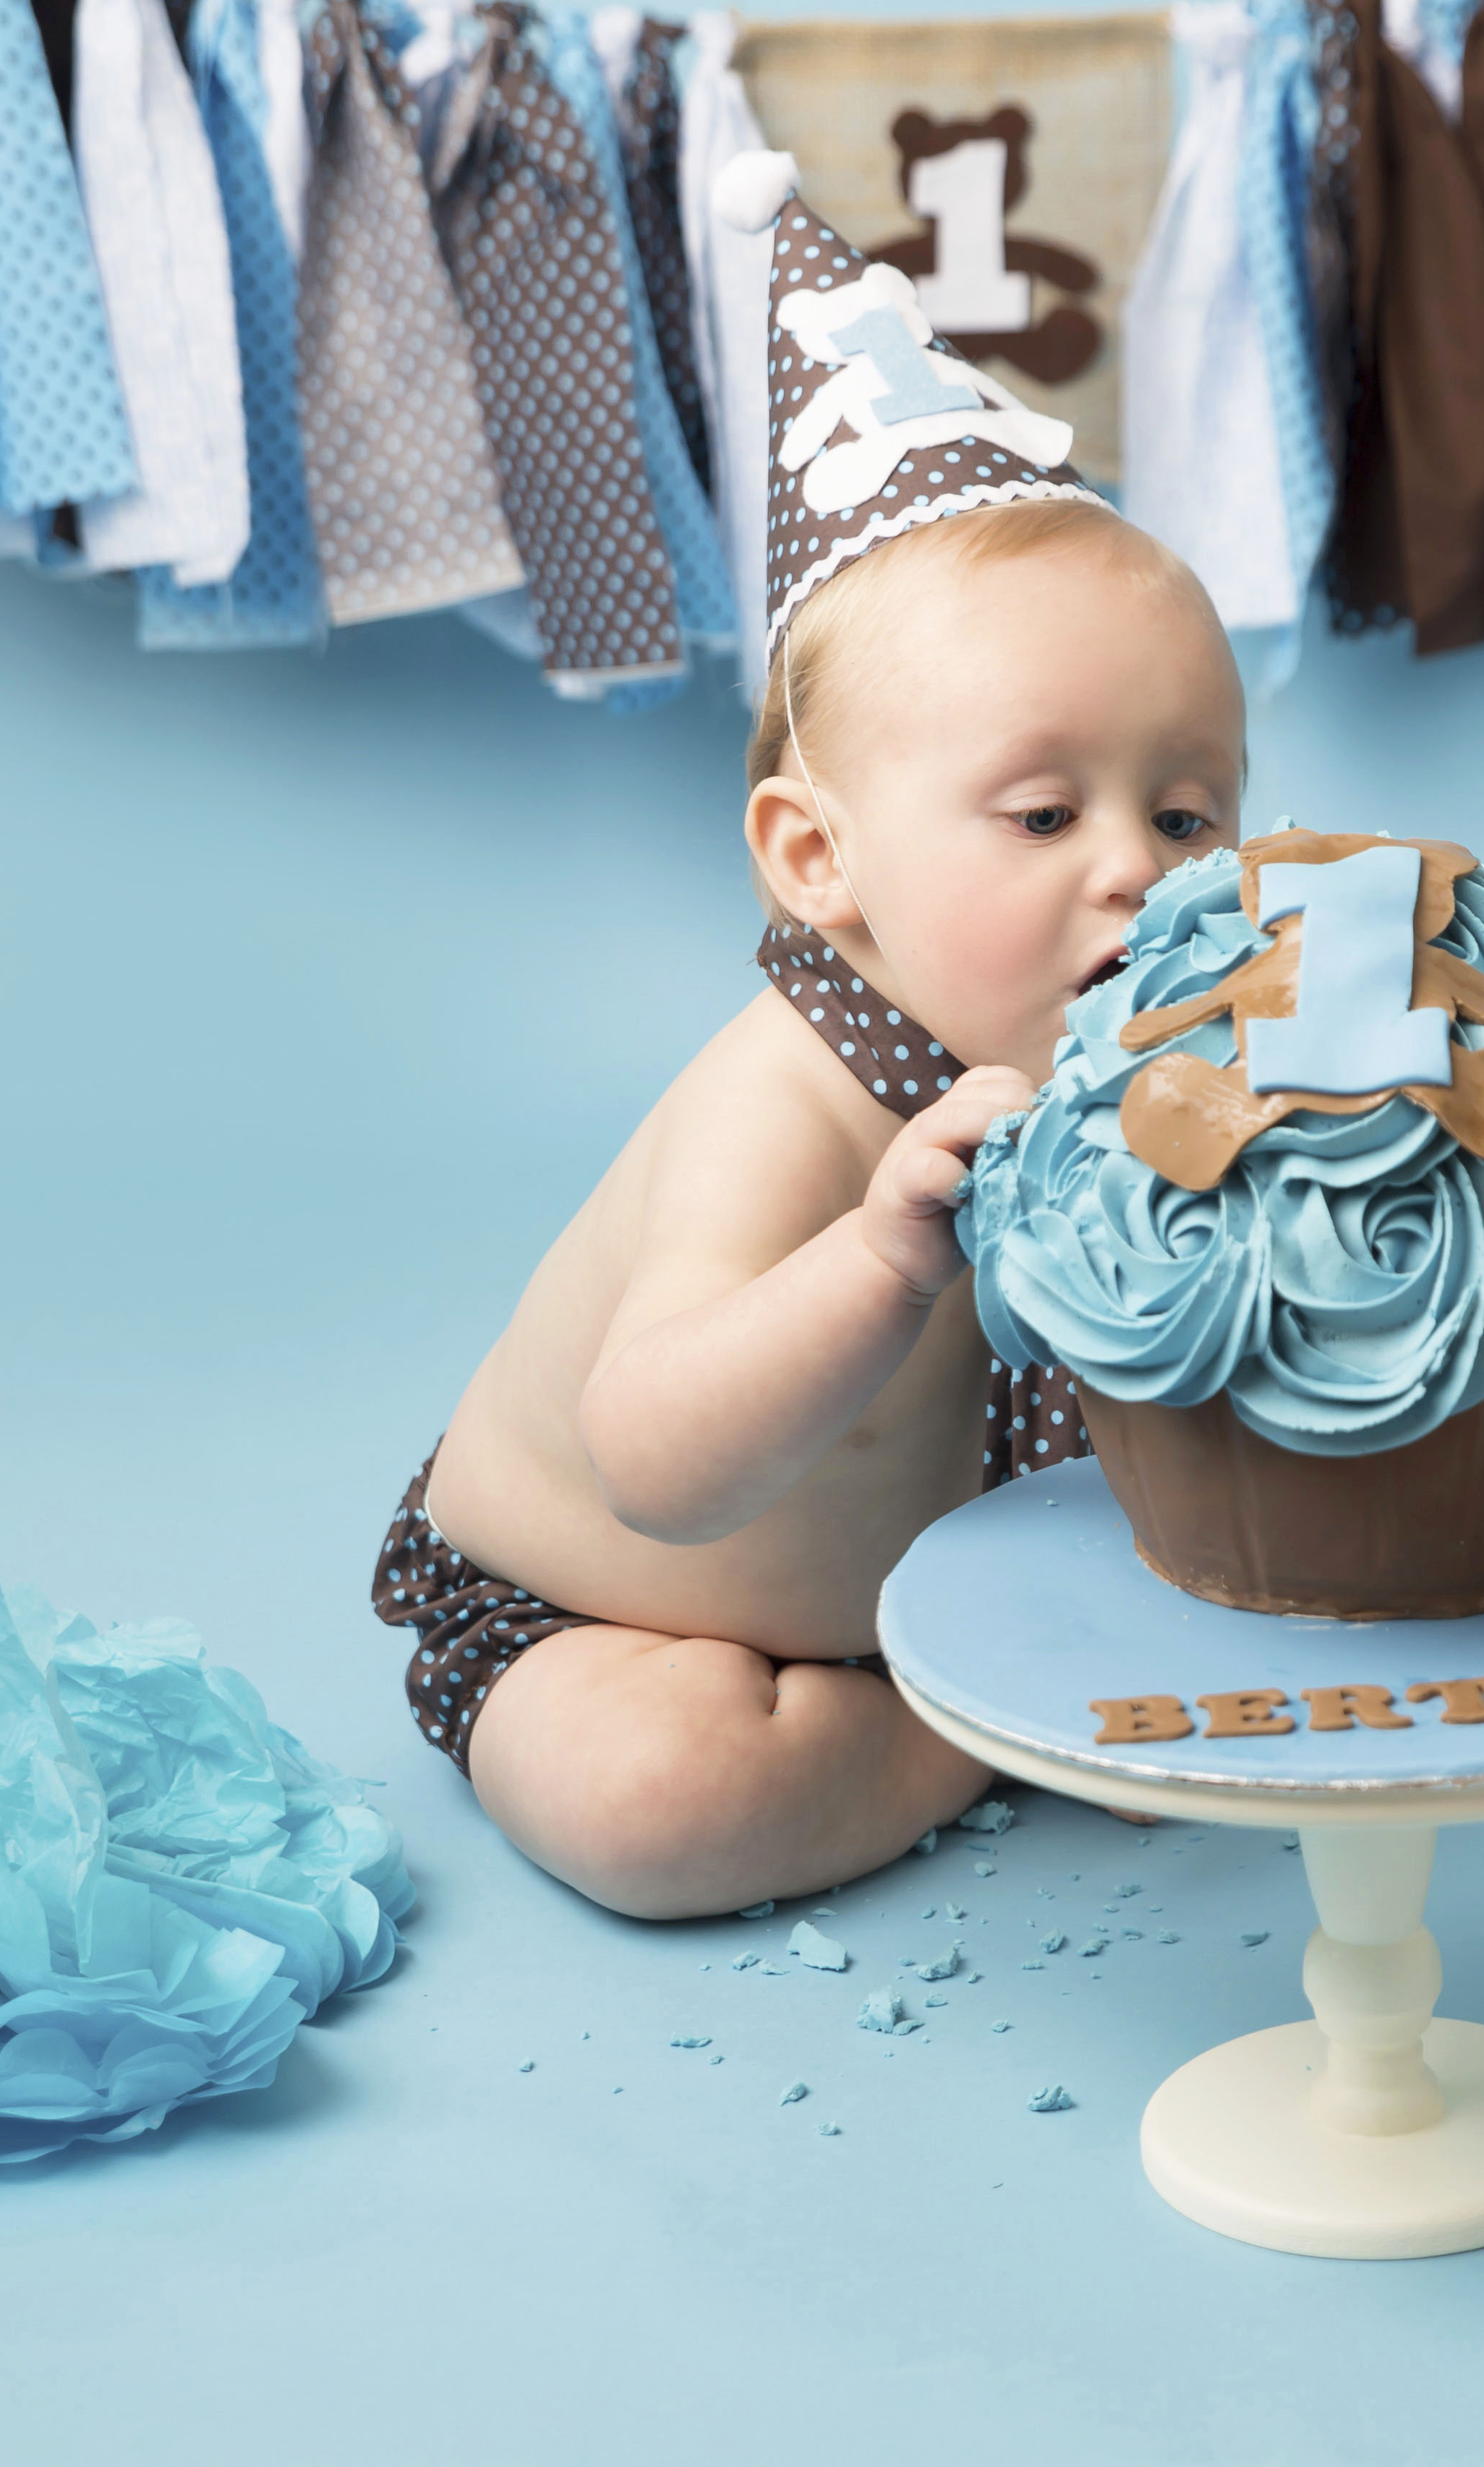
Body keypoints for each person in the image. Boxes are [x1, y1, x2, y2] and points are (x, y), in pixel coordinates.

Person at [377, 404, 1244, 1914]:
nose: (1137, 869)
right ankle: (967, 1735)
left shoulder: (1158, 1060)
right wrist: (875, 1257)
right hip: (618, 1610)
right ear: (817, 859)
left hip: (974, 1565)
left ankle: (1018, 1664)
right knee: (664, 1799)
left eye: (1188, 814)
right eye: (1045, 814)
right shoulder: (784, 1099)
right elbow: (653, 1464)